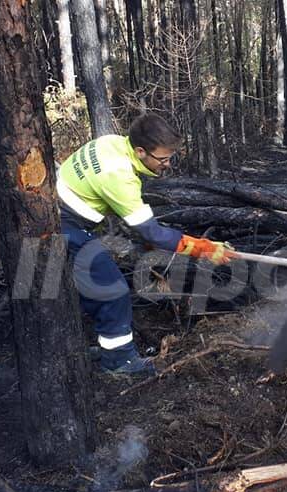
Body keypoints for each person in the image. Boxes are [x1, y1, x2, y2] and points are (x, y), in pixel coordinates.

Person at [56, 113, 232, 373]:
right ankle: (119, 362)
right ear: (140, 151)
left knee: (91, 287)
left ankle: (104, 349)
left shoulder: (111, 143)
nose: (168, 164)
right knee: (113, 291)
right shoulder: (119, 175)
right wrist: (203, 248)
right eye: (163, 158)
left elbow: (115, 204)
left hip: (61, 215)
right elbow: (154, 233)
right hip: (63, 226)